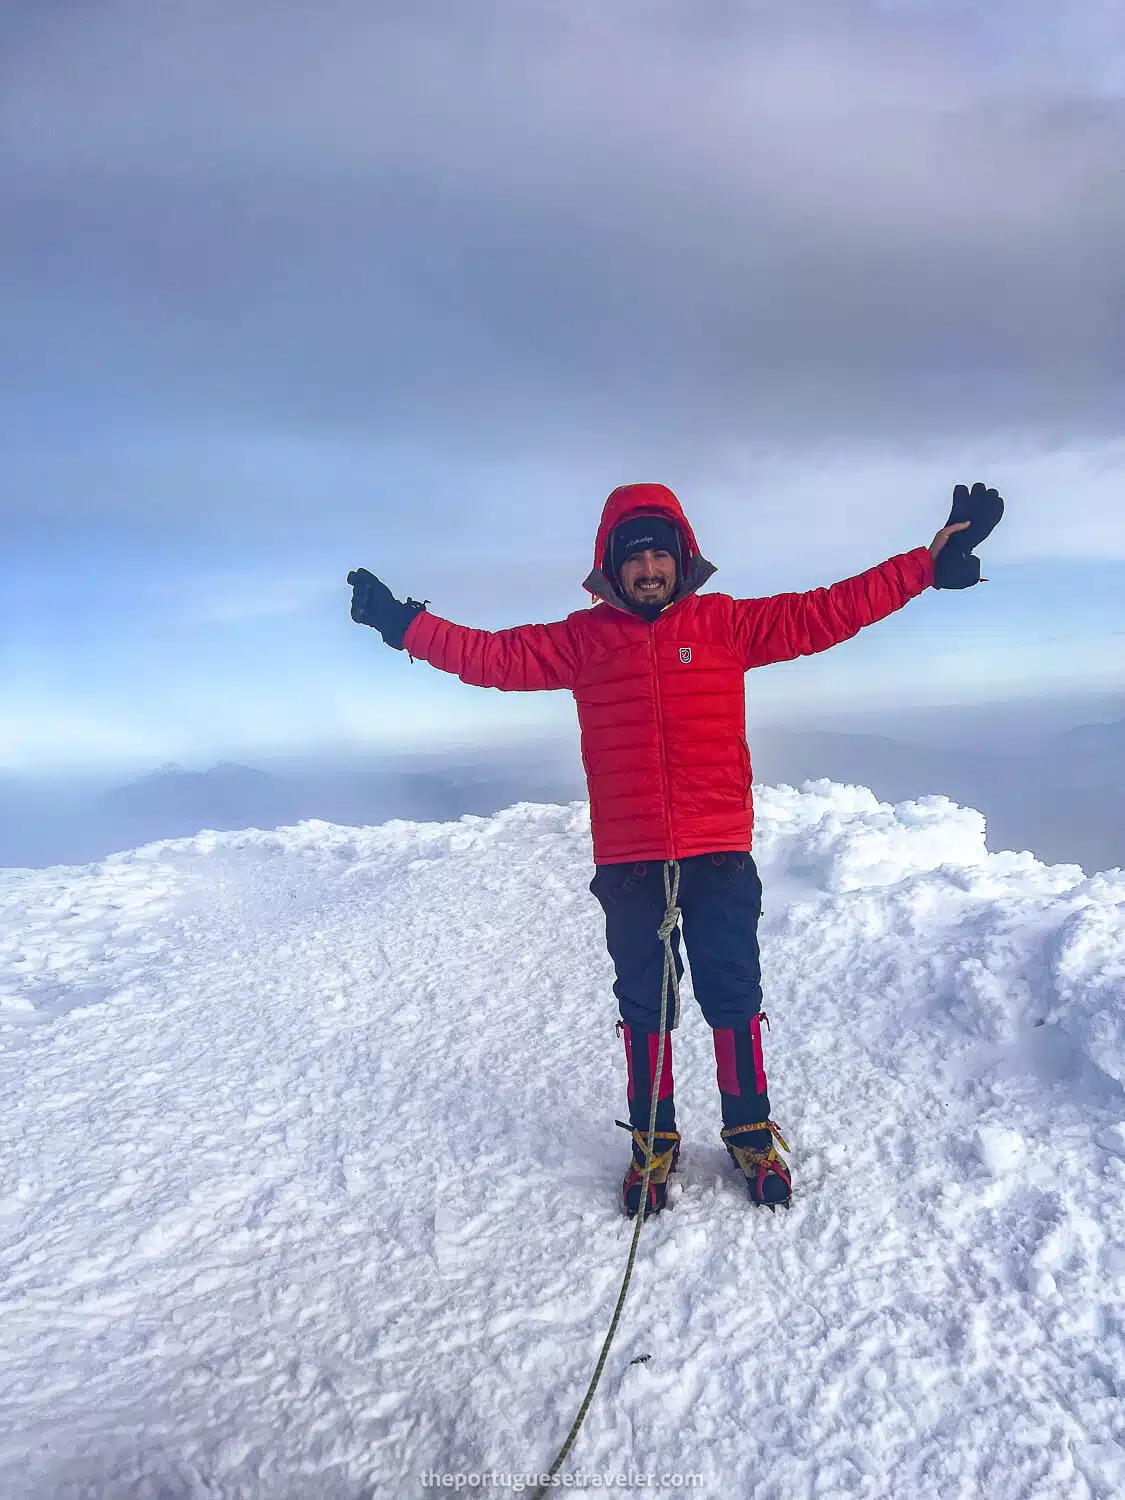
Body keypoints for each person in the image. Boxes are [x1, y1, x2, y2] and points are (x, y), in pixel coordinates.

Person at [348, 480, 1003, 1217]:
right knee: (646, 1004)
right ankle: (653, 1141)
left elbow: (828, 610)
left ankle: (749, 1130)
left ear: (681, 558)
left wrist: (923, 566)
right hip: (631, 861)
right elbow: (490, 657)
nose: (649, 568)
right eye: (635, 558)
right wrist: (404, 624)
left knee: (731, 993)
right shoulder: (580, 641)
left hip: (717, 848)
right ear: (611, 566)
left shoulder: (724, 625)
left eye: (661, 553)